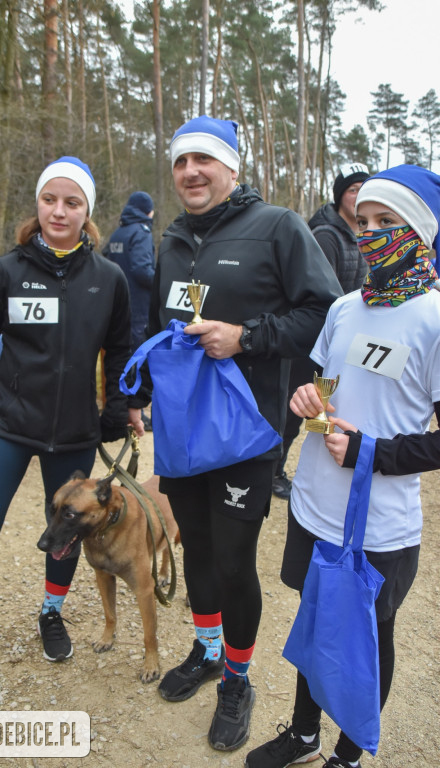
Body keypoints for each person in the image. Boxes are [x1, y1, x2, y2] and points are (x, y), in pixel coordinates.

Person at [128, 115, 342, 752]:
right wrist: (139, 392)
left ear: (232, 168)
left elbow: (325, 313)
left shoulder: (277, 226)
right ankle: (208, 649)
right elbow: (166, 327)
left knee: (232, 557)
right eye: (180, 162)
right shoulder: (169, 240)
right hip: (184, 429)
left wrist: (245, 337)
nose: (191, 172)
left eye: (204, 161)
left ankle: (238, 681)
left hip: (247, 432)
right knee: (194, 546)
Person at [245, 163, 440, 768]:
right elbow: (324, 383)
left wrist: (373, 454)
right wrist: (311, 398)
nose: (371, 232)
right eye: (364, 221)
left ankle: (349, 754)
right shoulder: (345, 308)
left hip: (378, 526)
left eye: (389, 221)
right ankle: (304, 734)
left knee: (363, 642)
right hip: (314, 505)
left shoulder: (434, 319)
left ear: (422, 232)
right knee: (312, 625)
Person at [0, 156, 143, 688]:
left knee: (68, 534)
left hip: (72, 431)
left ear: (86, 211)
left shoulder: (109, 279)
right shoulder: (7, 271)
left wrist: (116, 409)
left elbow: (119, 349)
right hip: (5, 422)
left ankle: (51, 612)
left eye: (72, 202)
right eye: (50, 199)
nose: (59, 211)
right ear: (38, 204)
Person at [273, 162, 370, 501]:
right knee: (295, 410)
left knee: (325, 406)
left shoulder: (359, 234)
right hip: (315, 341)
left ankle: (324, 462)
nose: (358, 195)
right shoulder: (326, 236)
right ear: (340, 195)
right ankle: (274, 469)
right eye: (352, 189)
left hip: (343, 340)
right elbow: (322, 295)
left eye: (363, 188)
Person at [103, 190, 156, 430]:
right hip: (138, 307)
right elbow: (142, 270)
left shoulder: (118, 233)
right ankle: (134, 410)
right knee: (137, 357)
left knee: (119, 357)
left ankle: (118, 406)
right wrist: (163, 283)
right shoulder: (141, 233)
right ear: (148, 211)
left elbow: (105, 262)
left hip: (115, 305)